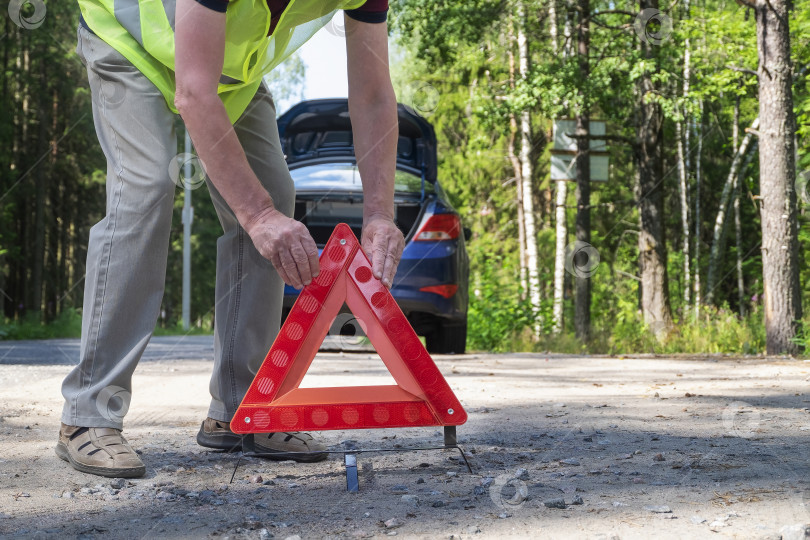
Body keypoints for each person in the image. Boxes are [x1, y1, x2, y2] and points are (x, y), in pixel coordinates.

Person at [57, 0, 404, 478]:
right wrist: (257, 216)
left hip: (224, 71)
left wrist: (380, 214)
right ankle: (88, 415)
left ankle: (242, 409)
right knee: (148, 185)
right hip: (129, 38)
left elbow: (372, 95)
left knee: (275, 194)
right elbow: (193, 93)